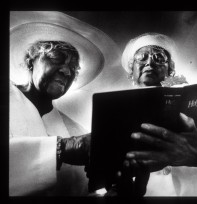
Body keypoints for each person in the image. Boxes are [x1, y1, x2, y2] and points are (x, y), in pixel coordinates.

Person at [104, 33, 197, 196]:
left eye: (159, 57)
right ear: (131, 72)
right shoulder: (116, 112)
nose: (149, 62)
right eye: (142, 57)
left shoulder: (196, 98)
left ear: (170, 70)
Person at [9, 11, 118, 196]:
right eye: (57, 58)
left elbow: (79, 191)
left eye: (74, 68)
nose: (67, 72)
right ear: (30, 61)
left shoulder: (74, 129)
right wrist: (62, 149)